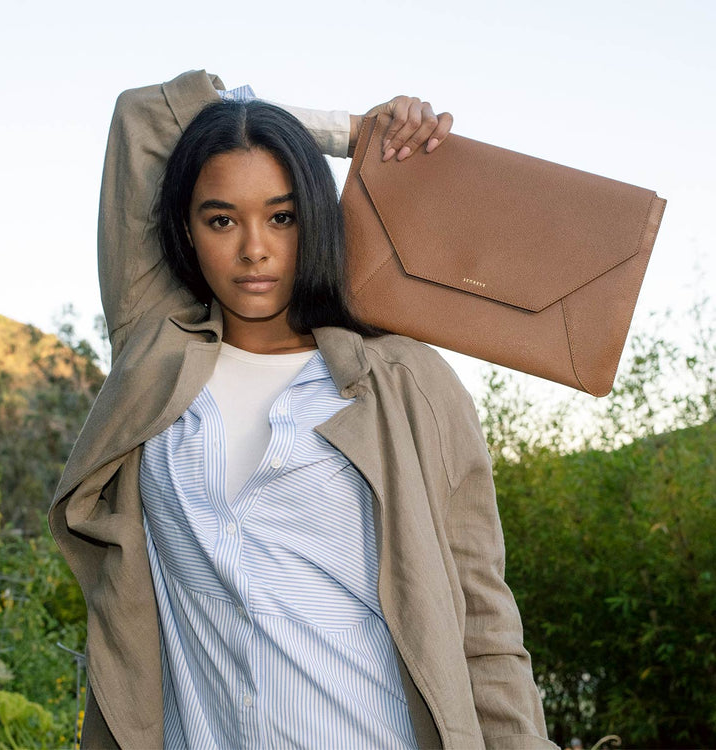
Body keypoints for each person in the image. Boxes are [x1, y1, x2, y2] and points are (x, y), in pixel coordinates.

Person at [49, 70, 556, 749]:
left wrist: (373, 149)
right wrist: (350, 132)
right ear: (188, 229)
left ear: (315, 216)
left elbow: (485, 629)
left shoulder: (404, 384)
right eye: (222, 218)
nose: (254, 247)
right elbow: (143, 117)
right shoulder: (156, 362)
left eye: (282, 216)